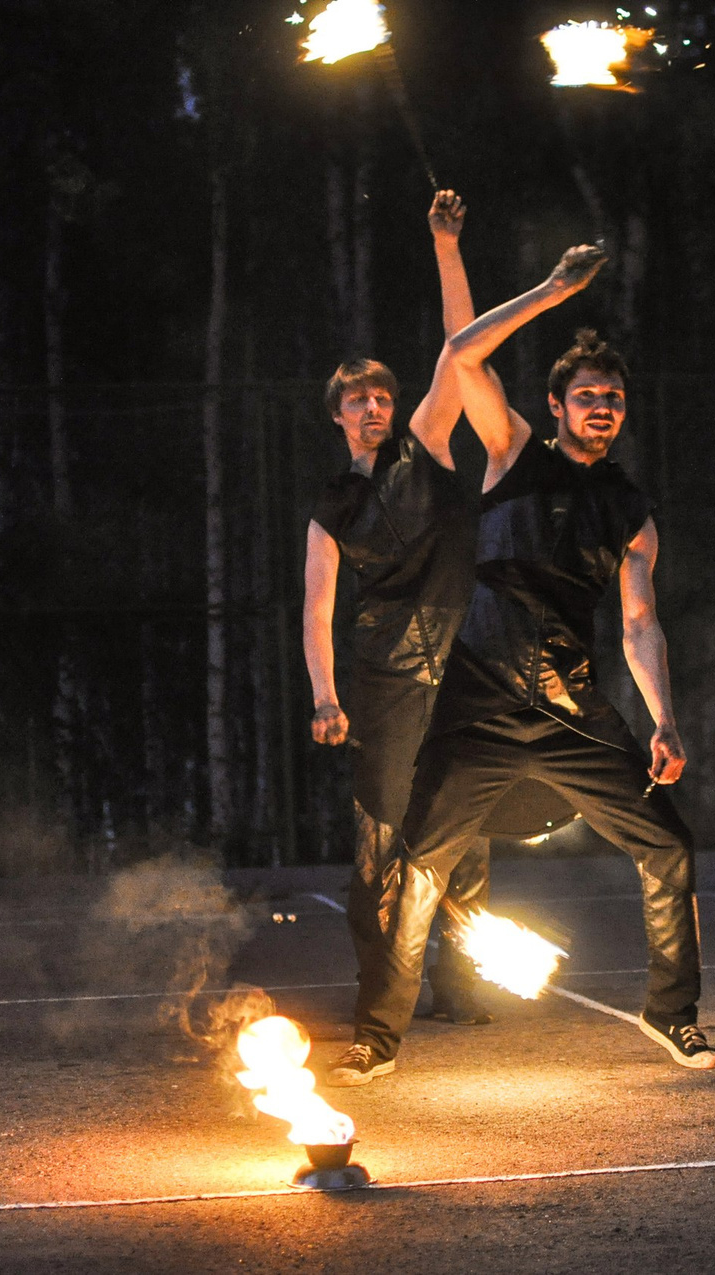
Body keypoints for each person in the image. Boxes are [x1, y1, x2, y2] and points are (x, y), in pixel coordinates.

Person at [329, 245, 715, 1087]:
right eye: (587, 397)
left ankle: (672, 1013)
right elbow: (463, 352)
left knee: (670, 845)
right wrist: (550, 291)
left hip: (572, 709)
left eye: (614, 398)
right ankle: (378, 1035)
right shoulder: (510, 451)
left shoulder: (631, 511)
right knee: (420, 861)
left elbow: (641, 623)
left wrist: (664, 718)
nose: (603, 408)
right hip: (479, 705)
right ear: (555, 406)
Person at [302, 190, 494, 1028]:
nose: (375, 406)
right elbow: (315, 610)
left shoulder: (429, 448)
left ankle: (463, 982)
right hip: (382, 682)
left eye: (382, 395)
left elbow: (464, 348)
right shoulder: (331, 508)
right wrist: (325, 696)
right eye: (358, 399)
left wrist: (445, 244)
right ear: (338, 415)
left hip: (459, 666)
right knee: (380, 841)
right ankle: (384, 988)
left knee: (465, 831)